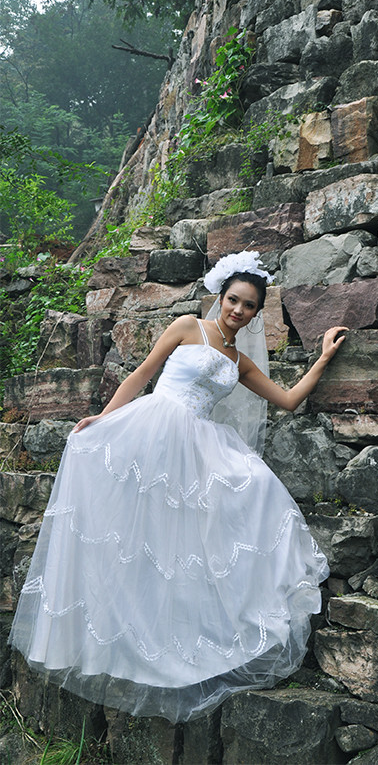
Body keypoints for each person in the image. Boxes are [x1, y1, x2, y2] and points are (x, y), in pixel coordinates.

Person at [9, 250, 347, 724]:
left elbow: (288, 401)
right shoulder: (189, 326)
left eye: (249, 306)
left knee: (221, 519)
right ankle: (111, 639)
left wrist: (324, 356)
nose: (238, 311)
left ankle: (181, 638)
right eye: (233, 299)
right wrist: (104, 419)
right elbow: (143, 374)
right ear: (220, 295)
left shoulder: (240, 361)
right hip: (152, 429)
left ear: (256, 313)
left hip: (199, 447)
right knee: (132, 535)